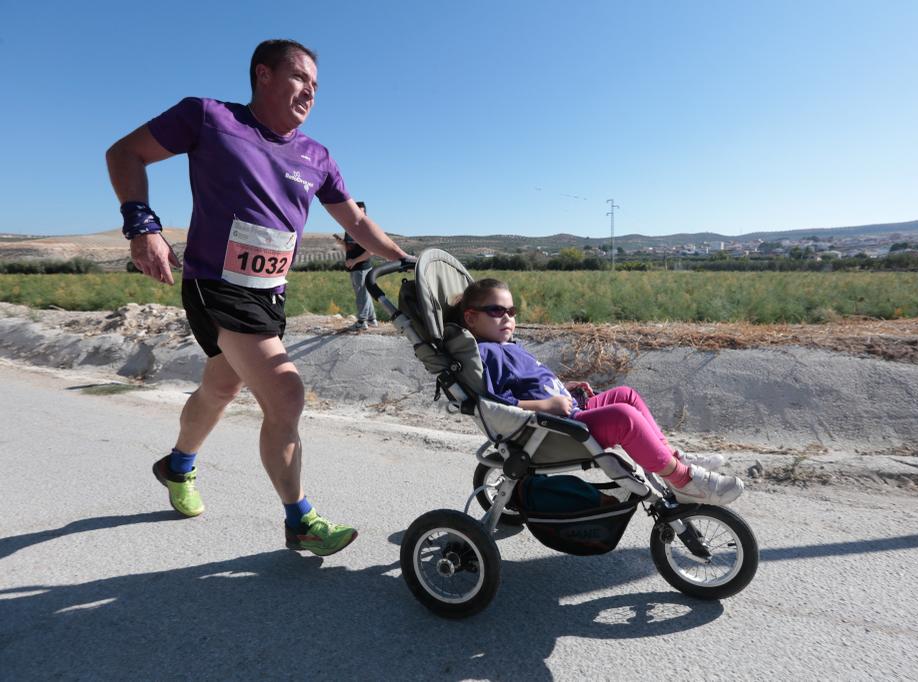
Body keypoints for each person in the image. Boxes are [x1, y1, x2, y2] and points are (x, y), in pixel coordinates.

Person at [105, 39, 409, 556]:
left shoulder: (317, 156)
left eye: (316, 85)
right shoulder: (208, 117)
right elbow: (125, 152)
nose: (310, 91)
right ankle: (300, 520)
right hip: (216, 284)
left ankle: (176, 466)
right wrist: (142, 224)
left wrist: (408, 262)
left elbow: (355, 221)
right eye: (300, 78)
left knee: (220, 388)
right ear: (263, 75)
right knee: (286, 395)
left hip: (269, 293)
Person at [458, 278, 745, 506]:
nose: (507, 317)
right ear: (471, 319)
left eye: (511, 311)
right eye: (497, 311)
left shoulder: (508, 346)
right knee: (623, 417)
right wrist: (548, 405)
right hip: (550, 430)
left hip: (567, 411)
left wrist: (564, 388)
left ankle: (672, 457)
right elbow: (497, 404)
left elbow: (530, 381)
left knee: (626, 394)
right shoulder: (486, 353)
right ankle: (683, 481)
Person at [338, 201, 378, 331]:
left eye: (361, 211)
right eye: (356, 210)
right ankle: (372, 319)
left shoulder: (367, 228)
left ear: (365, 212)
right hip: (354, 267)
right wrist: (341, 243)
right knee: (363, 293)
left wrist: (354, 261)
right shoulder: (349, 228)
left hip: (362, 267)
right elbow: (349, 247)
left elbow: (370, 251)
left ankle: (362, 321)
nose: (358, 213)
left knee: (361, 294)